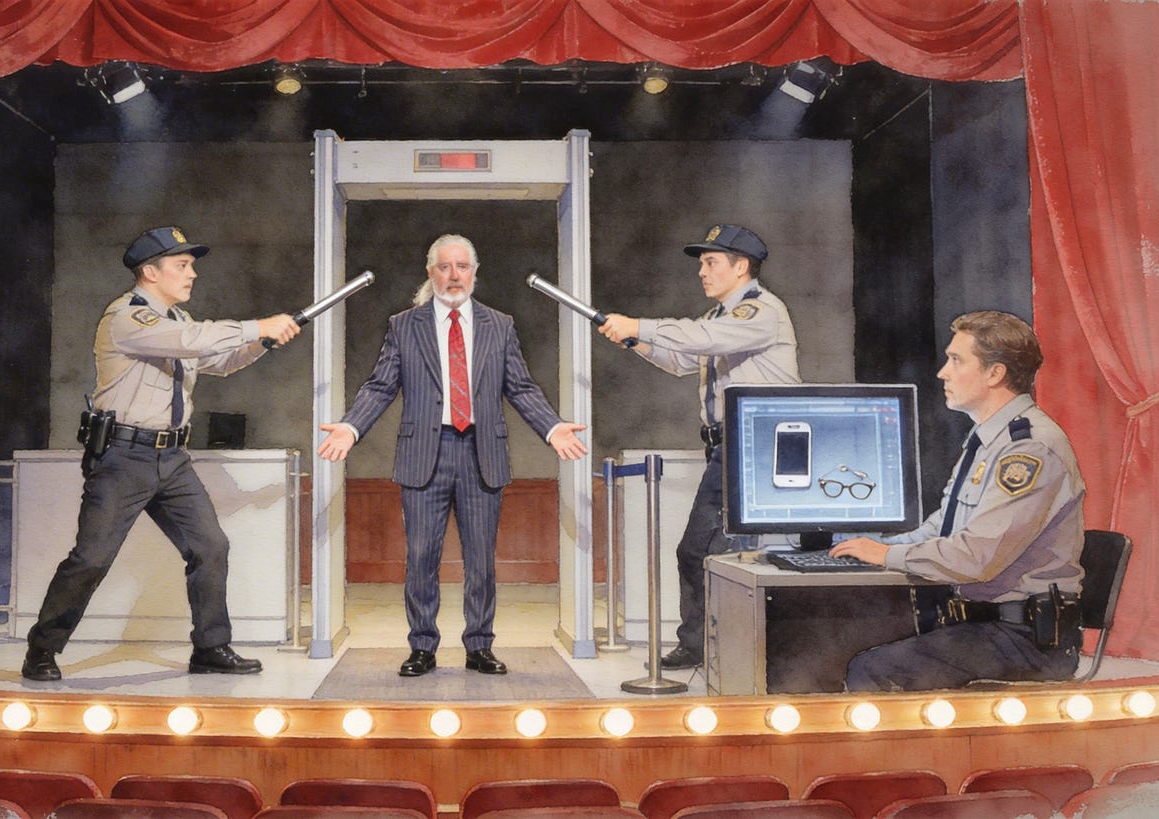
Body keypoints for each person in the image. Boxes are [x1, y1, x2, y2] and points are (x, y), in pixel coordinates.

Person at [21, 226, 302, 681]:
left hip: (171, 459)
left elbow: (220, 361)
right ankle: (42, 649)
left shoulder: (181, 323)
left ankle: (211, 647)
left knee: (210, 546)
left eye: (191, 266)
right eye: (182, 266)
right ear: (150, 272)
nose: (192, 274)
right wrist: (257, 324)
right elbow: (192, 344)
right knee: (91, 559)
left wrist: (261, 343)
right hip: (123, 458)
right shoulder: (127, 318)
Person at [317, 234, 588, 677]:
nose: (454, 275)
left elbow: (519, 386)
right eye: (444, 267)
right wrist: (350, 426)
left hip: (482, 453)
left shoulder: (499, 325)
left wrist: (552, 426)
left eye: (462, 266)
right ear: (431, 272)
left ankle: (479, 646)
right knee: (421, 556)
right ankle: (422, 646)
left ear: (474, 272)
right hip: (427, 453)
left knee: (481, 559)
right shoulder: (405, 325)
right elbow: (382, 385)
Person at [831, 311, 1085, 690]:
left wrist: (885, 556)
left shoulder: (1029, 448)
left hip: (1027, 639)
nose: (942, 373)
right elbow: (945, 525)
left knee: (873, 670)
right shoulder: (988, 440)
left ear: (995, 374)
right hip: (990, 625)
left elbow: (975, 557)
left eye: (956, 360)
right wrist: (882, 545)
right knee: (846, 645)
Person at [598, 224, 799, 671]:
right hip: (730, 447)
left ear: (741, 266)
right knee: (712, 551)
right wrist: (636, 341)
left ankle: (713, 645)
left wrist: (640, 324)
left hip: (756, 446)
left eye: (711, 263)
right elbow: (681, 360)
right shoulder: (718, 320)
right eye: (702, 264)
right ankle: (709, 644)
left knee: (711, 551)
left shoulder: (760, 311)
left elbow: (701, 341)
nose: (702, 273)